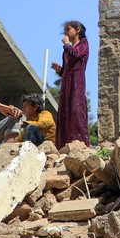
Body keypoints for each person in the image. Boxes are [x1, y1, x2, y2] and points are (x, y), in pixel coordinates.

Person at [50, 20, 90, 148]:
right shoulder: (66, 50)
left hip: (77, 83)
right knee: (64, 112)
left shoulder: (83, 44)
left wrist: (67, 44)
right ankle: (63, 144)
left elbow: (76, 55)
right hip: (66, 85)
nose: (66, 33)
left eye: (68, 29)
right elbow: (66, 71)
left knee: (76, 110)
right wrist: (59, 70)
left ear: (77, 30)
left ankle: (79, 142)